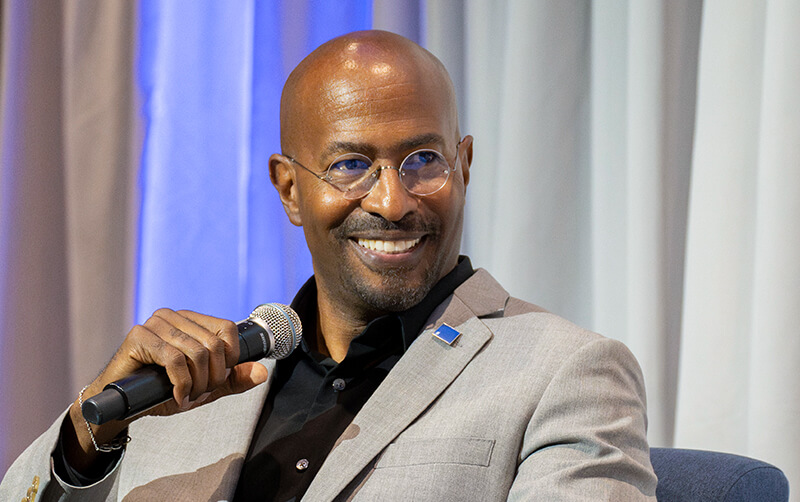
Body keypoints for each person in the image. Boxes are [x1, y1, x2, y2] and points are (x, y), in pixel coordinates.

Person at [0, 30, 657, 501]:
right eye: (350, 166)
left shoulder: (565, 372)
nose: (393, 202)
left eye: (423, 160)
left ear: (464, 165)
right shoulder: (194, 380)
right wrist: (90, 436)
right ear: (289, 189)